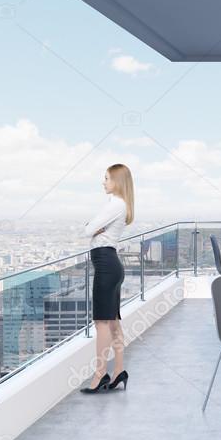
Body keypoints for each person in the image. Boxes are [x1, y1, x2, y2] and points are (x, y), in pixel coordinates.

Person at [80, 163, 134, 393]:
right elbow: (91, 229)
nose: (103, 182)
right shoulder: (120, 205)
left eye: (107, 178)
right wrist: (94, 229)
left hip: (106, 265)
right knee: (112, 322)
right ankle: (118, 370)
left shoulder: (115, 204)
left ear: (117, 181)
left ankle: (100, 374)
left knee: (101, 323)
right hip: (111, 265)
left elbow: (87, 229)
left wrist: (95, 229)